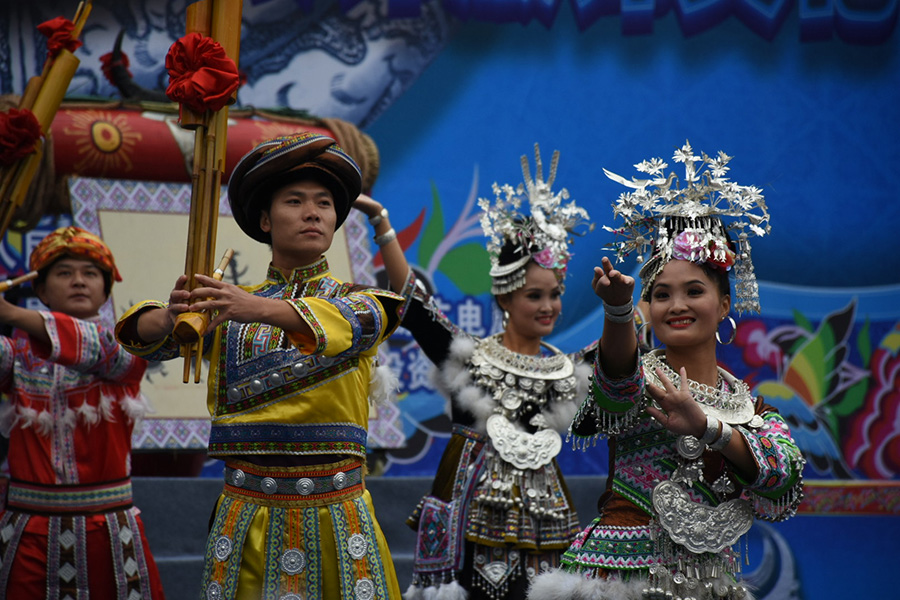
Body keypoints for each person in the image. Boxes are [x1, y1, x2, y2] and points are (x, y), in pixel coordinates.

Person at [114, 132, 409, 600]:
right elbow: (143, 340)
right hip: (247, 511)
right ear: (266, 220)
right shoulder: (227, 309)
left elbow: (366, 319)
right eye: (295, 201)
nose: (313, 212)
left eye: (325, 203)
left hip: (336, 511)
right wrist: (171, 317)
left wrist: (250, 306)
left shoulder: (361, 302)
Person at [527, 142, 806, 600]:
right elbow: (616, 381)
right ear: (648, 308)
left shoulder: (749, 408)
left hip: (711, 586)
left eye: (694, 291)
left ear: (724, 306)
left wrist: (707, 427)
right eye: (661, 295)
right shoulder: (643, 380)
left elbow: (785, 477)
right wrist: (618, 314)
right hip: (621, 579)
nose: (677, 305)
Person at [356, 145, 595, 600]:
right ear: (505, 298)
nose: (549, 307)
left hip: (545, 522)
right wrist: (383, 224)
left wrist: (632, 302)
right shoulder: (468, 357)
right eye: (534, 296)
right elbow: (410, 302)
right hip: (469, 520)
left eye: (555, 294)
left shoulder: (566, 370)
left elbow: (626, 338)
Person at [0, 226, 165, 599]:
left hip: (107, 531)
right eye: (64, 273)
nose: (78, 281)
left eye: (90, 274)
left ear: (107, 291)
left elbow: (98, 350)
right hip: (29, 531)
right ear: (40, 290)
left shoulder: (123, 347)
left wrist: (12, 312)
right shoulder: (17, 356)